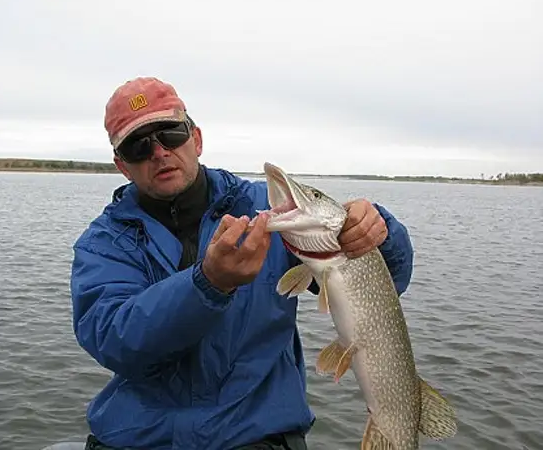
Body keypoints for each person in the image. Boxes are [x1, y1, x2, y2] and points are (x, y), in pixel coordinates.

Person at [70, 77, 414, 450]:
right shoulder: (103, 243)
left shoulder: (268, 213)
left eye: (170, 134)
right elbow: (115, 341)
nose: (158, 152)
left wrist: (377, 232)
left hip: (255, 435)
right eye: (139, 146)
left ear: (196, 139)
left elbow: (390, 281)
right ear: (122, 165)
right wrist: (208, 283)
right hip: (140, 439)